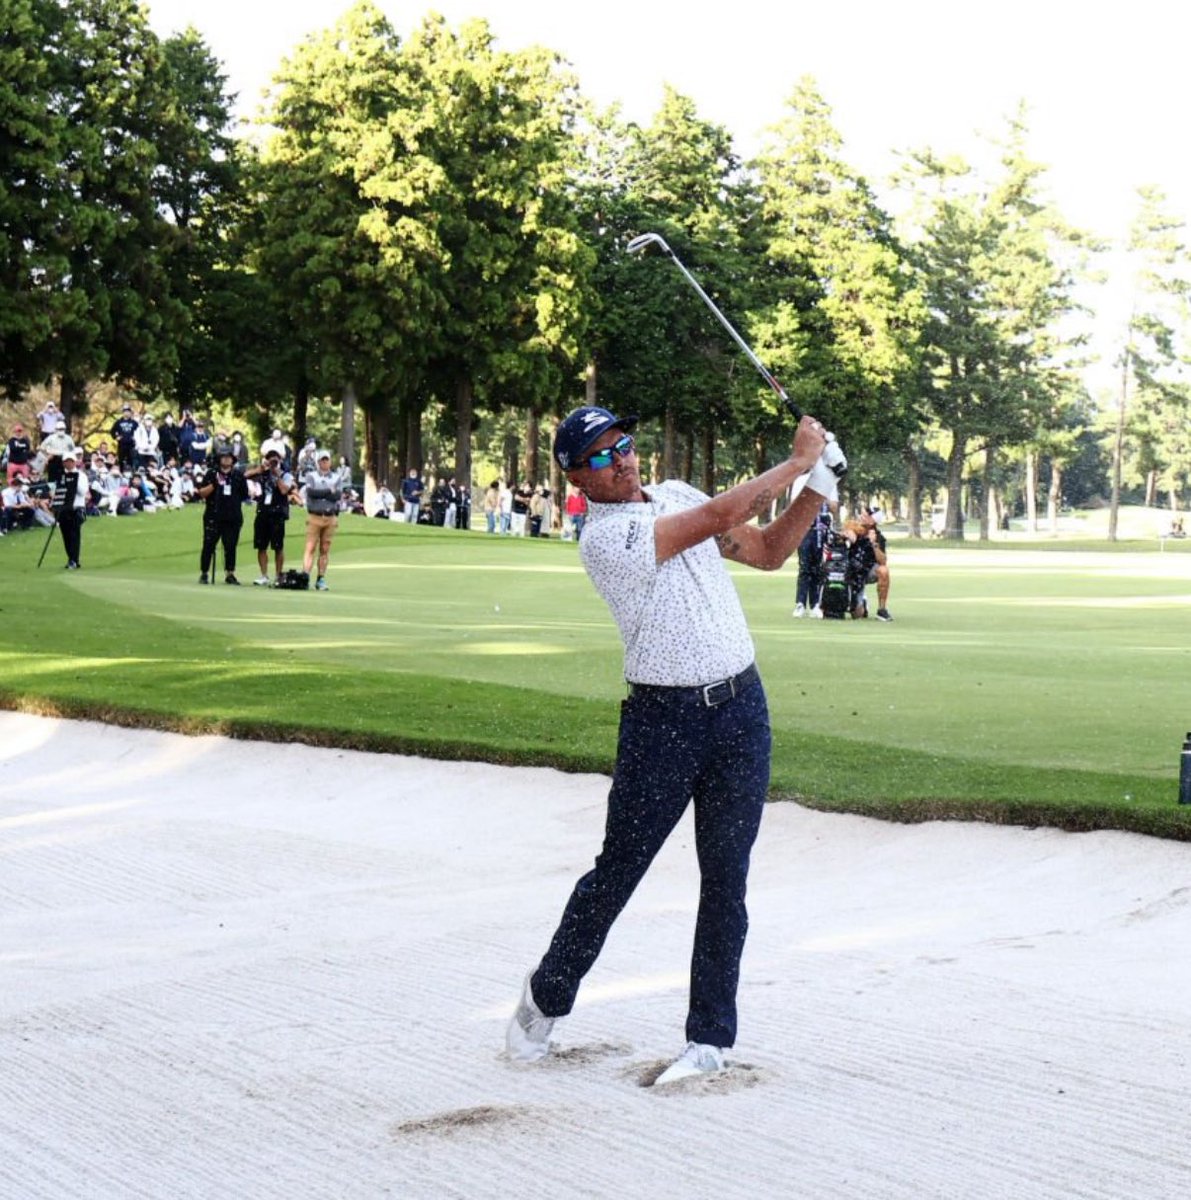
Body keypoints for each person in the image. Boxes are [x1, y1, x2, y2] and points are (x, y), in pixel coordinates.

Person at [505, 404, 844, 1086]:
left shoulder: (677, 494)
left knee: (726, 877)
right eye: (602, 455)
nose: (623, 459)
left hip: (740, 711)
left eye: (624, 444)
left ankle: (708, 1038)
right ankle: (545, 997)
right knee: (617, 873)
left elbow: (770, 553)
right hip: (662, 723)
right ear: (576, 477)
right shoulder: (603, 538)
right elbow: (718, 518)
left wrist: (817, 489)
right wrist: (798, 461)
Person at [195, 446, 249, 584]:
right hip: (213, 515)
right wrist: (215, 484)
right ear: (219, 459)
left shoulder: (237, 475)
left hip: (232, 516)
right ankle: (204, 572)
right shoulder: (211, 474)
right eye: (223, 457)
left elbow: (244, 494)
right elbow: (202, 493)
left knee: (230, 546)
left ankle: (230, 573)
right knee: (208, 544)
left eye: (228, 457)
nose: (226, 459)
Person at [302, 449, 349, 591]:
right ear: (318, 462)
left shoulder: (336, 477)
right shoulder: (311, 476)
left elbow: (337, 497)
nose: (324, 462)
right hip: (314, 515)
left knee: (325, 549)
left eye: (326, 460)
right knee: (310, 548)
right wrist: (329, 491)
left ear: (330, 462)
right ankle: (305, 577)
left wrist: (323, 494)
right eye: (322, 460)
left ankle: (320, 578)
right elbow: (311, 493)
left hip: (330, 517)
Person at [247, 449, 294, 585]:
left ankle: (278, 576)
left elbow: (284, 490)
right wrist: (261, 468)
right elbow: (245, 475)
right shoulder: (263, 473)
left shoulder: (285, 475)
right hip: (263, 511)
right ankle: (264, 575)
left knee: (278, 546)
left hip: (277, 513)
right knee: (261, 546)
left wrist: (276, 474)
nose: (273, 463)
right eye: (271, 460)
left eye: (275, 460)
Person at [844, 506, 892, 620]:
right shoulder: (853, 528)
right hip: (852, 573)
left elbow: (883, 561)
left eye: (864, 516)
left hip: (868, 572)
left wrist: (874, 543)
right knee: (857, 615)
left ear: (872, 521)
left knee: (883, 570)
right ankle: (861, 602)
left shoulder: (879, 537)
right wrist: (846, 536)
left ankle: (882, 609)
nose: (861, 517)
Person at [793, 502, 833, 618]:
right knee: (804, 568)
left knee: (817, 570)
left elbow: (834, 507)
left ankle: (815, 604)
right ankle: (800, 603)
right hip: (805, 532)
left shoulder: (829, 489)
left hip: (820, 532)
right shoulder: (800, 484)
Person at [53, 447, 88, 569]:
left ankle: (74, 559)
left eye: (71, 461)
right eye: (66, 461)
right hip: (63, 509)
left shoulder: (81, 475)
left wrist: (73, 481)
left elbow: (83, 492)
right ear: (63, 463)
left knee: (74, 535)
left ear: (74, 462)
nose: (69, 463)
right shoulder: (61, 476)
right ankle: (70, 559)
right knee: (66, 536)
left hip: (77, 508)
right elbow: (57, 492)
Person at [110, 405, 139, 473]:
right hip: (121, 445)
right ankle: (121, 473)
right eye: (125, 411)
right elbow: (112, 431)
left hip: (131, 445)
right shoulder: (118, 422)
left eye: (128, 411)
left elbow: (140, 432)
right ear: (123, 412)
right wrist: (116, 437)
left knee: (131, 461)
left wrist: (136, 439)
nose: (127, 413)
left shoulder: (134, 423)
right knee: (121, 461)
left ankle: (132, 474)